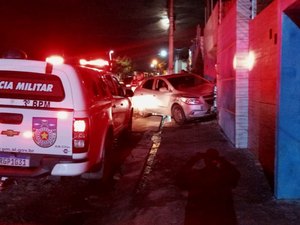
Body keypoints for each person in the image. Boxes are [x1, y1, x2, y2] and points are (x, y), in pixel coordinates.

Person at [177, 148, 240, 225]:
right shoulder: (224, 176)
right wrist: (223, 161)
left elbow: (180, 177)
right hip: (221, 217)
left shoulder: (196, 176)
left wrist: (192, 160)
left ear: (205, 161)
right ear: (216, 161)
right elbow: (235, 174)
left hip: (200, 217)